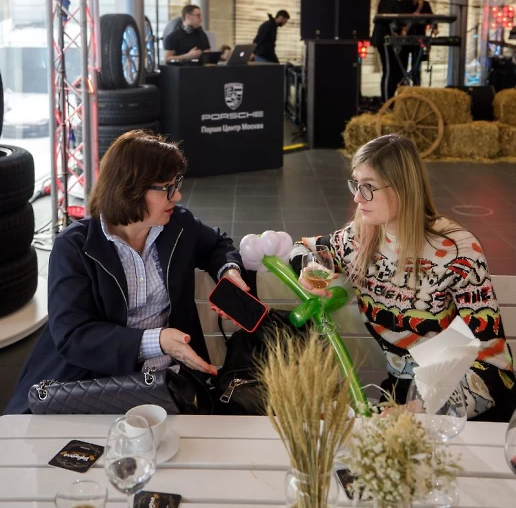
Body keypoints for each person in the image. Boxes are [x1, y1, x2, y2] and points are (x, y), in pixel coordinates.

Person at [6, 130, 249, 414]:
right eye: (167, 187)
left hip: (172, 379)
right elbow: (73, 336)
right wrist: (158, 341)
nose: (177, 195)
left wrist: (229, 272)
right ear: (130, 190)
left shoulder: (178, 226)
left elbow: (218, 244)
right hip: (94, 383)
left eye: (177, 183)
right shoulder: (74, 247)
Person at [290, 134, 516, 422]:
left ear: (403, 188)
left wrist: (418, 409)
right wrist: (309, 267)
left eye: (368, 187)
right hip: (402, 395)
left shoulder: (457, 250)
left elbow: (492, 359)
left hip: (463, 398)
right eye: (356, 184)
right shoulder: (359, 239)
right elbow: (303, 247)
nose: (357, 197)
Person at [371, 0, 408, 102]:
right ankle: (386, 101)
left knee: (392, 71)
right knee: (388, 71)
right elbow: (388, 19)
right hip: (384, 40)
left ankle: (390, 99)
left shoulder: (393, 0)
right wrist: (397, 31)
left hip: (389, 39)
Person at [399, 0, 435, 86]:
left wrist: (434, 27)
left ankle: (416, 86)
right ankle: (403, 86)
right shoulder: (403, 4)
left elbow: (431, 18)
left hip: (419, 37)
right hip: (405, 38)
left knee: (417, 66)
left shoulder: (425, 5)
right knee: (403, 64)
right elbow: (399, 20)